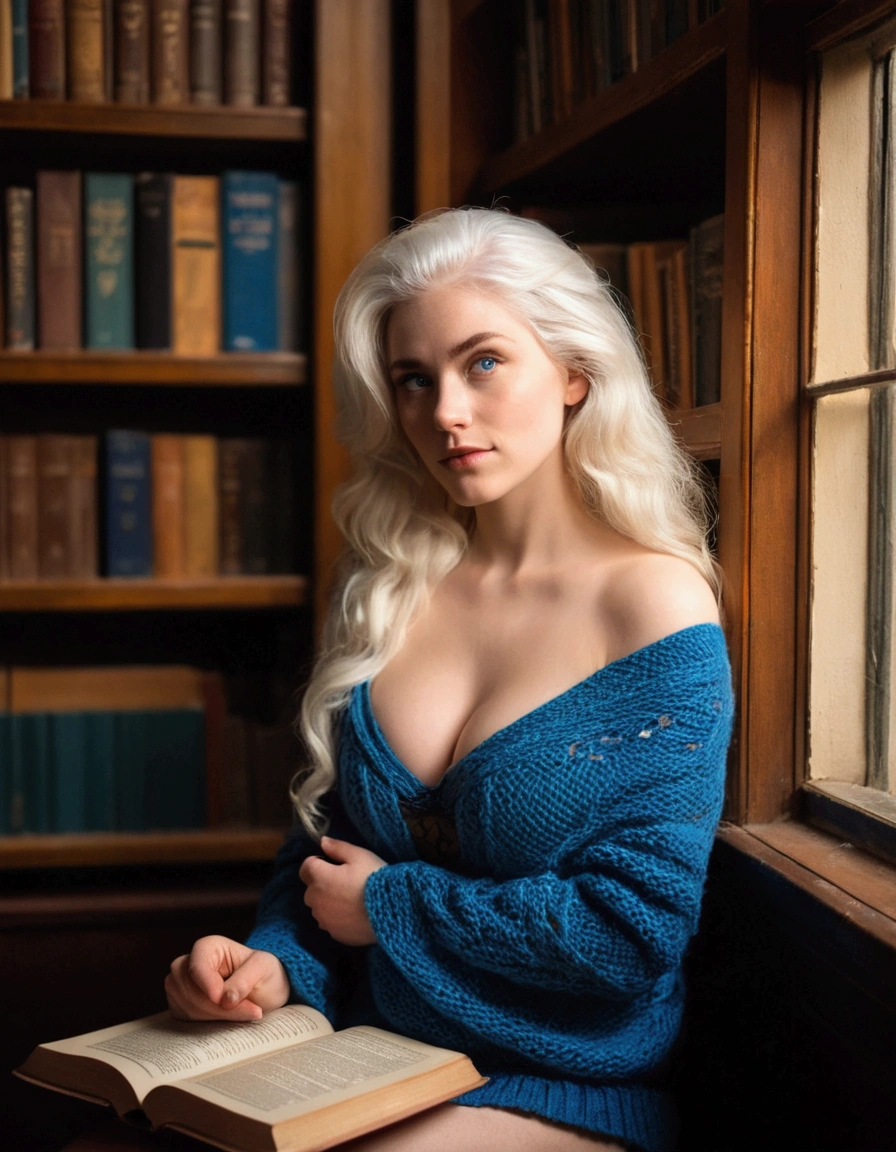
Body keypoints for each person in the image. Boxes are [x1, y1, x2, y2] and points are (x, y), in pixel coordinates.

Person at [165, 208, 734, 1152]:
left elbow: (632, 933)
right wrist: (266, 965)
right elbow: (319, 859)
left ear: (574, 371)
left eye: (483, 363)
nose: (446, 413)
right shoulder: (389, 589)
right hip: (359, 1060)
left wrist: (389, 909)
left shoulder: (653, 605)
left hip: (561, 1088)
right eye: (413, 380)